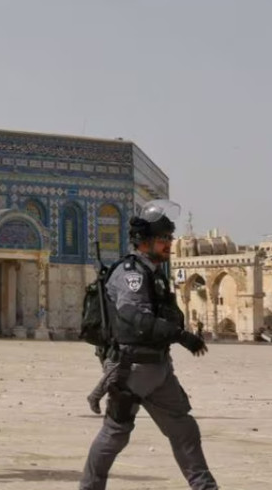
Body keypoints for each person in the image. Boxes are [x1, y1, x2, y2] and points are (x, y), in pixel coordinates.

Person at [79, 200, 218, 490]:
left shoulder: (154, 273)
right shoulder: (131, 273)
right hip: (133, 369)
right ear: (145, 242)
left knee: (183, 429)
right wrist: (181, 336)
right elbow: (133, 316)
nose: (169, 244)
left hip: (158, 368)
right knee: (115, 434)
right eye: (163, 239)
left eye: (170, 238)